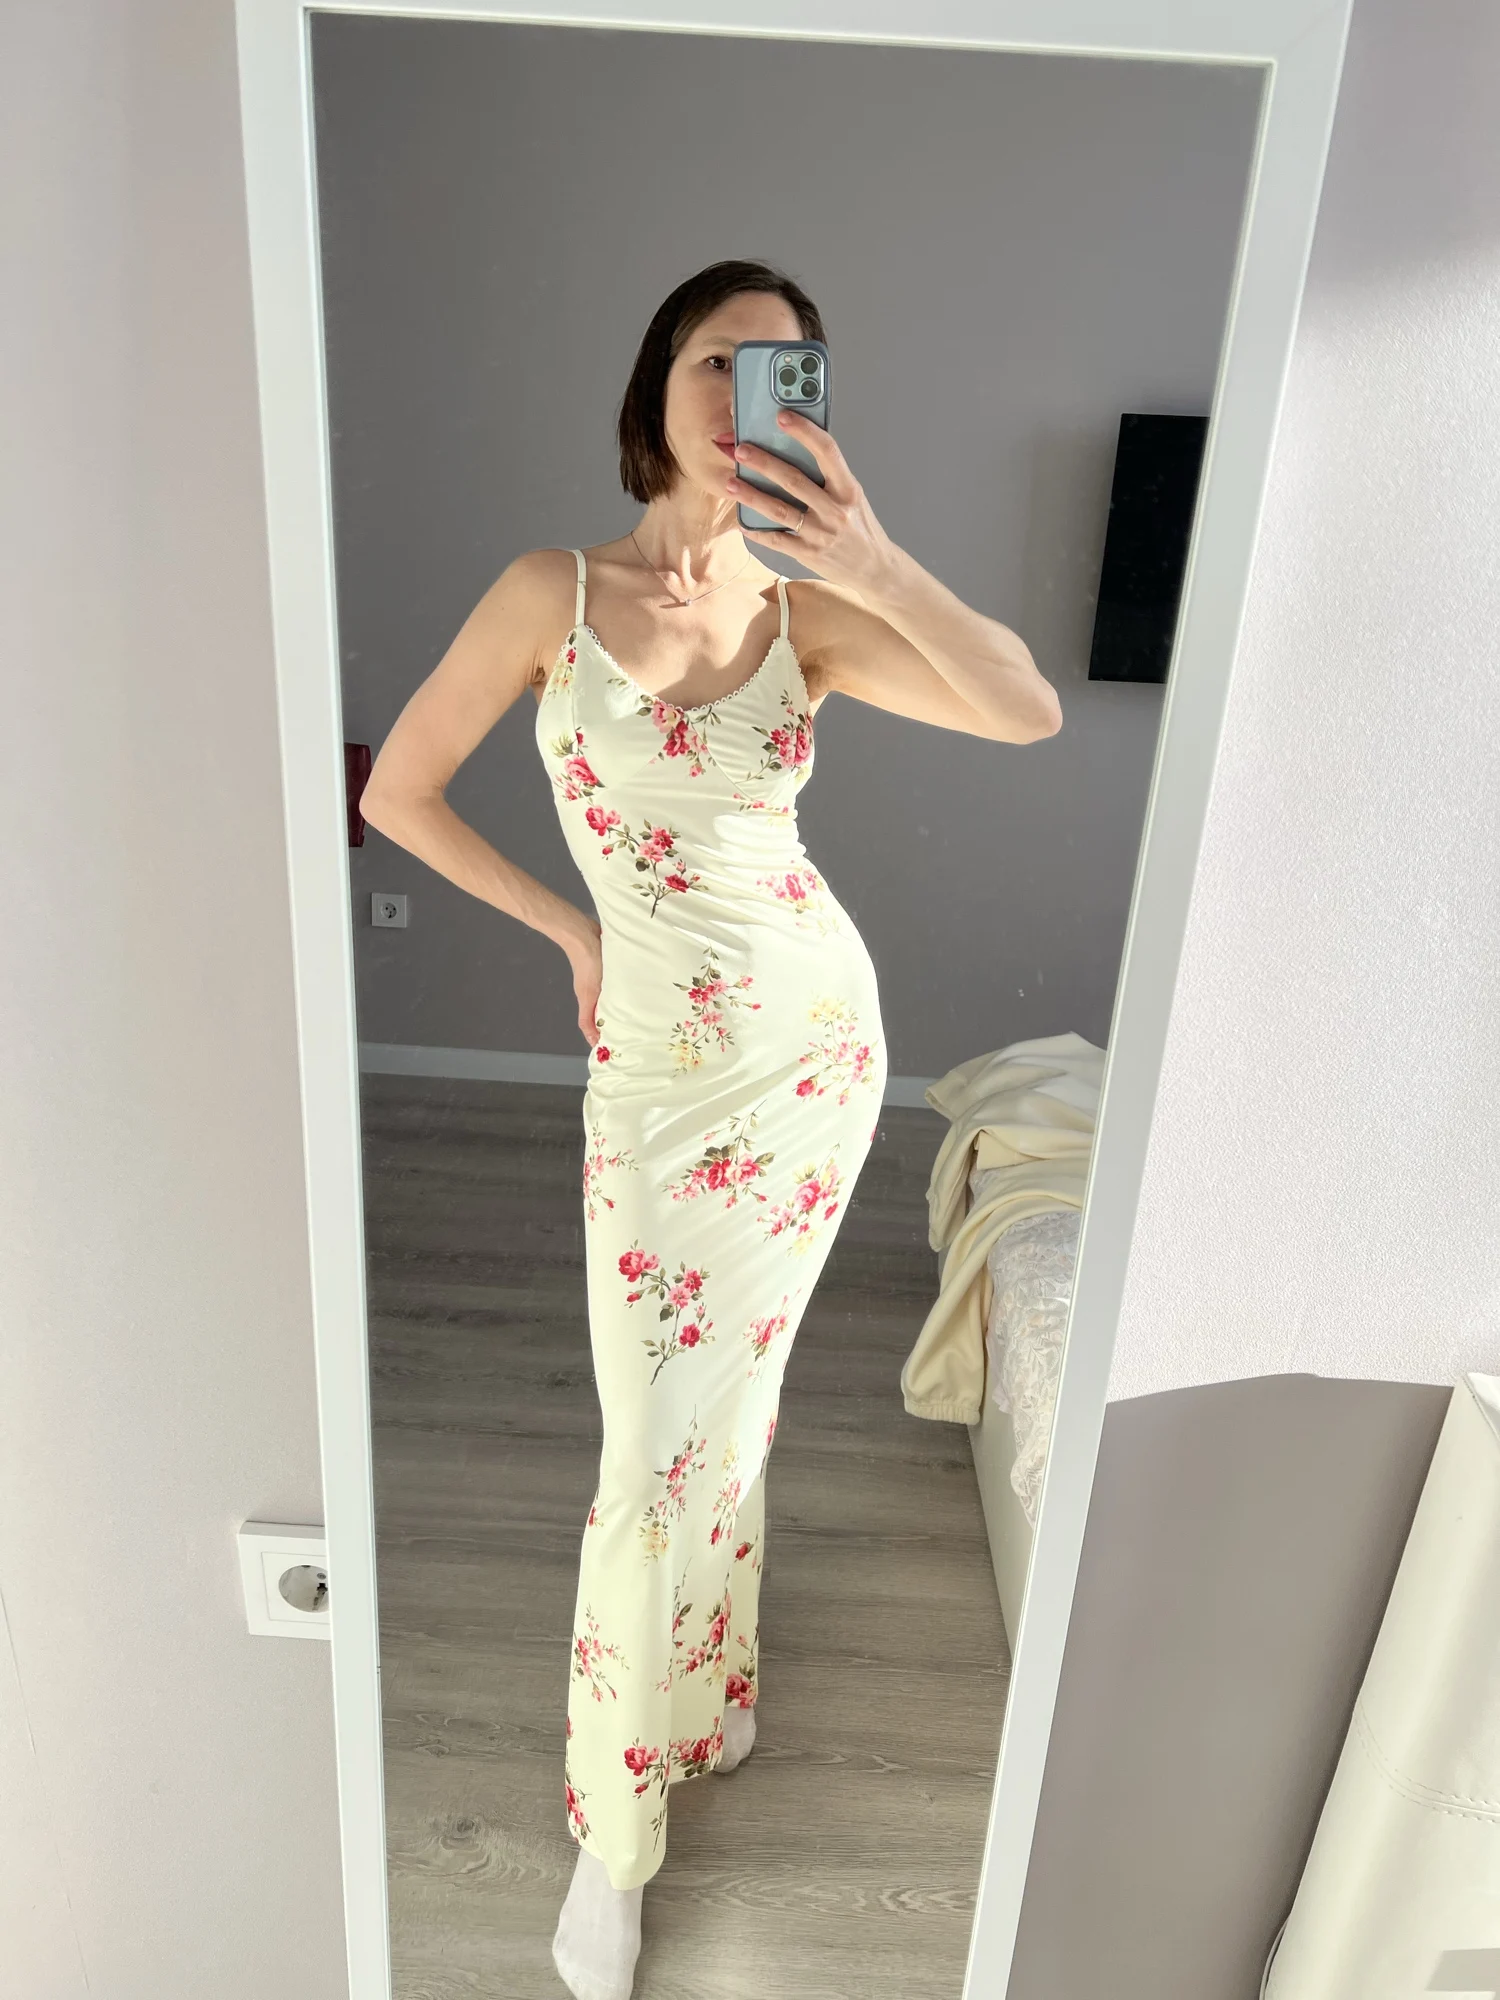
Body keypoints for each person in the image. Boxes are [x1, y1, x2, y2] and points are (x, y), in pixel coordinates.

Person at [359, 257, 1061, 2000]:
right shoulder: (553, 591)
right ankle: (619, 1828)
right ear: (657, 388)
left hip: (813, 1057)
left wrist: (872, 558)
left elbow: (1026, 707)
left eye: (785, 369)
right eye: (717, 359)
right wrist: (572, 932)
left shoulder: (813, 617)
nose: (747, 388)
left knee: (726, 1416)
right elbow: (396, 791)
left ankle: (699, 1715)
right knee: (647, 1453)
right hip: (659, 1079)